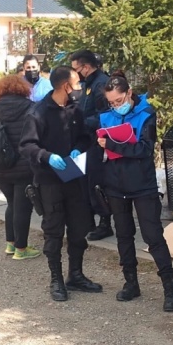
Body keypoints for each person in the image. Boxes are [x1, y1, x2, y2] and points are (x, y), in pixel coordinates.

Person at [19, 65, 103, 302]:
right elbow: (26, 145)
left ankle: (75, 275)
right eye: (76, 84)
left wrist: (78, 148)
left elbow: (85, 137)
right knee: (53, 231)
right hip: (49, 182)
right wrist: (47, 157)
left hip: (74, 178)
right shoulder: (38, 113)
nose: (79, 88)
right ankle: (56, 279)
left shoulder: (74, 110)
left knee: (79, 228)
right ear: (65, 86)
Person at [97, 71, 173, 312]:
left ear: (129, 93)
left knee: (153, 236)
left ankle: (170, 289)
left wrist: (111, 144)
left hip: (142, 184)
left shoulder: (146, 114)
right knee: (123, 234)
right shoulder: (106, 117)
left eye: (119, 101)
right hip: (115, 185)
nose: (115, 107)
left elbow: (144, 149)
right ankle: (131, 283)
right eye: (111, 103)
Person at [0, 75, 41, 260]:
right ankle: (21, 248)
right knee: (23, 207)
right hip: (23, 167)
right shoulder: (30, 108)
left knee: (11, 204)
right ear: (23, 89)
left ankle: (10, 243)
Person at [70, 49, 113, 240]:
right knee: (80, 181)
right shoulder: (87, 83)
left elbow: (105, 116)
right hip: (83, 140)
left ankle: (105, 222)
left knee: (96, 183)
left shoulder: (101, 84)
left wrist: (80, 123)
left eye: (76, 69)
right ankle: (87, 221)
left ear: (86, 67)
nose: (75, 73)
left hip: (96, 142)